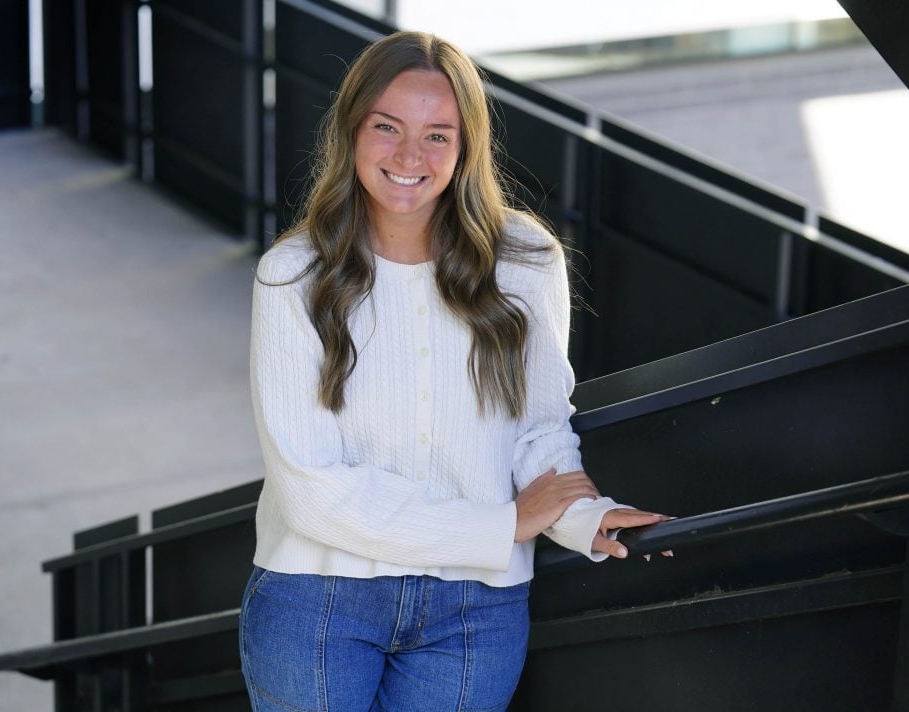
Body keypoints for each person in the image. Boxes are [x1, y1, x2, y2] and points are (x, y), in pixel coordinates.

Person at [240, 30, 668, 712]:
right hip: (319, 600)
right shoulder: (293, 276)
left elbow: (538, 430)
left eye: (438, 134)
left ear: (467, 147)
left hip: (475, 609)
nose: (410, 156)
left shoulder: (526, 260)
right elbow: (310, 490)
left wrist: (583, 516)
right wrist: (500, 528)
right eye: (387, 127)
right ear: (351, 132)